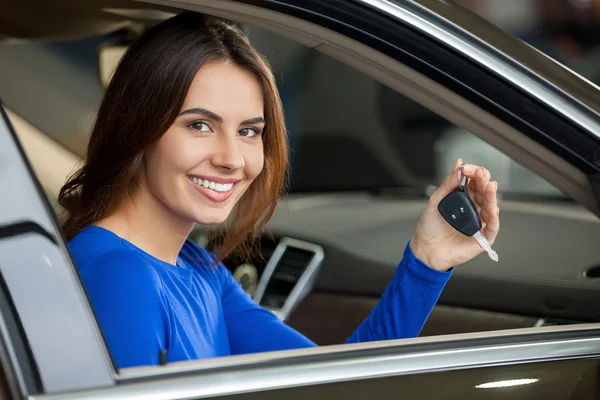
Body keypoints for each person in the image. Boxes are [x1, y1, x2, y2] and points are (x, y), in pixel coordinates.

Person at [59, 12, 500, 369]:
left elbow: (333, 382)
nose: (232, 158)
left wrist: (427, 259)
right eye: (199, 125)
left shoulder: (196, 266)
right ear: (138, 129)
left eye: (249, 131)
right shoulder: (121, 275)